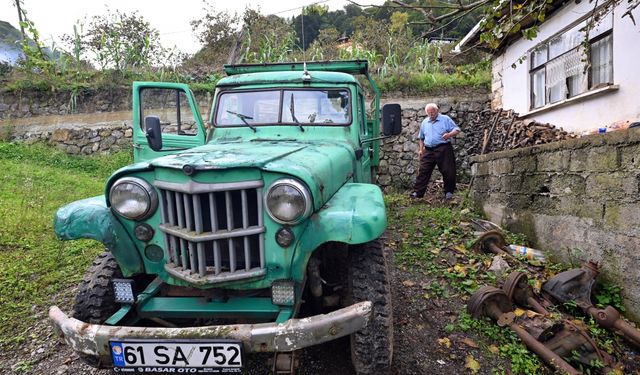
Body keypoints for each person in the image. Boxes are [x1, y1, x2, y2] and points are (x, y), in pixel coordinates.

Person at [410, 103, 461, 200]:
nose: (431, 114)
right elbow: (421, 138)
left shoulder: (445, 119)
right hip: (428, 150)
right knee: (423, 170)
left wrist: (449, 135)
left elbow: (457, 129)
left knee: (448, 170)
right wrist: (421, 150)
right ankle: (418, 192)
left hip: (443, 148)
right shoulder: (425, 122)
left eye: (433, 112)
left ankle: (449, 192)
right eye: (429, 113)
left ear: (437, 111)